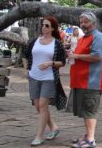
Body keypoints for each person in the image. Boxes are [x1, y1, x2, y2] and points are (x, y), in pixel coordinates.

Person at [23, 16, 67, 146]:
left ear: (53, 28)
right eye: (43, 25)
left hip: (49, 78)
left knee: (43, 105)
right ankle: (54, 127)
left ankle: (39, 136)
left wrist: (50, 63)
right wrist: (26, 69)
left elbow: (62, 62)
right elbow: (25, 55)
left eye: (47, 25)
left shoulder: (57, 43)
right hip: (34, 77)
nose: (43, 27)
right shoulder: (34, 41)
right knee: (38, 106)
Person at [68, 11, 102, 148]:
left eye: (86, 22)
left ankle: (90, 140)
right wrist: (73, 55)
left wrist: (77, 56)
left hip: (92, 81)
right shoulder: (83, 38)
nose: (83, 24)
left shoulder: (98, 37)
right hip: (81, 81)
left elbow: (97, 56)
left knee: (90, 110)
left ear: (93, 23)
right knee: (85, 109)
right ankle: (87, 135)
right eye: (81, 22)